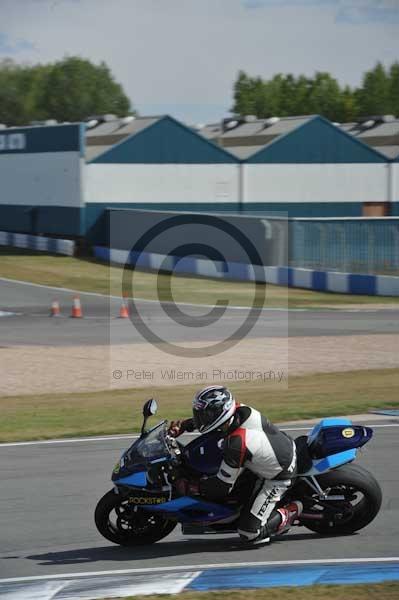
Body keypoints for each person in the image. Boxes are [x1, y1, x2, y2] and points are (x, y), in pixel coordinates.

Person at [168, 385, 303, 544]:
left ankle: (294, 509)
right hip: (275, 449)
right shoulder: (238, 410)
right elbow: (211, 420)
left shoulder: (236, 443)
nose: (200, 418)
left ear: (219, 413)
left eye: (203, 415)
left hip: (279, 475)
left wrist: (192, 487)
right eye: (198, 414)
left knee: (250, 533)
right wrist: (183, 426)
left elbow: (221, 486)